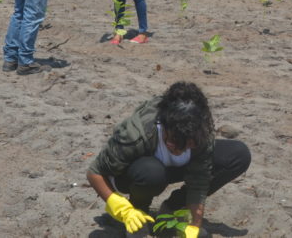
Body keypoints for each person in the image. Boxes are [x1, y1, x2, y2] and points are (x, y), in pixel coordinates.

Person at [86, 82, 252, 236]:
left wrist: (194, 225)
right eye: (172, 142)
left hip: (170, 170)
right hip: (137, 173)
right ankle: (139, 213)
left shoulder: (200, 133)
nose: (178, 150)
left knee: (238, 154)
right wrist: (121, 208)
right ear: (163, 125)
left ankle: (172, 207)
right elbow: (95, 173)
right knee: (151, 172)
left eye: (186, 145)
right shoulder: (138, 133)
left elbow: (199, 181)